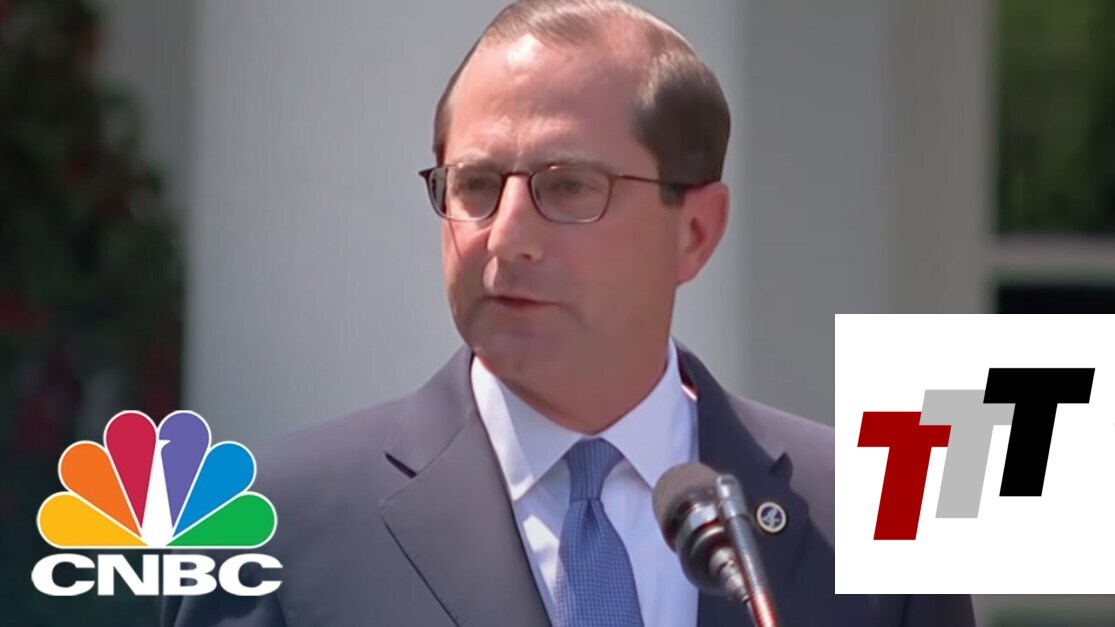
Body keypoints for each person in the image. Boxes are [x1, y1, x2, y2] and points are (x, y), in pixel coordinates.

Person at [165, 1, 976, 625]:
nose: (505, 237)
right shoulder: (263, 522)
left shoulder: (876, 513)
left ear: (694, 232)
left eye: (568, 187)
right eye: (475, 186)